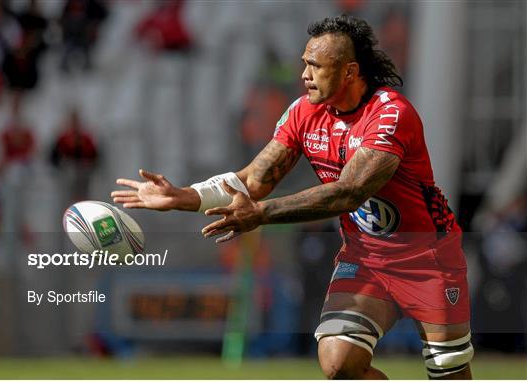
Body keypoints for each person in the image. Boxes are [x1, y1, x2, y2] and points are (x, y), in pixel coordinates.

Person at [111, 15, 473, 379]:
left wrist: (262, 214)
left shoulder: (391, 114)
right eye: (304, 64)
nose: (304, 75)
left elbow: (349, 192)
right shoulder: (303, 112)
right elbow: (253, 179)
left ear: (349, 72)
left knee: (447, 370)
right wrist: (182, 196)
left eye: (315, 66)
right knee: (338, 362)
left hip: (427, 257)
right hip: (366, 259)